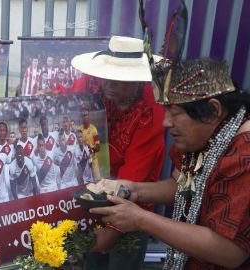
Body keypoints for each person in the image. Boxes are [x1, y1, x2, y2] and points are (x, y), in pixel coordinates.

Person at [91, 58, 250, 270]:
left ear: (214, 110)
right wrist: (132, 189)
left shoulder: (244, 154)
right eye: (165, 111)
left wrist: (140, 219)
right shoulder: (205, 135)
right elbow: (180, 184)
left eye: (175, 113)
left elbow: (230, 252)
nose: (166, 123)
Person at [72, 35, 165, 270]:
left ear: (137, 80)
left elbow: (134, 178)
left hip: (132, 203)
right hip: (93, 194)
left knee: (123, 261)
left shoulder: (150, 112)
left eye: (119, 79)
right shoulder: (94, 83)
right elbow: (70, 97)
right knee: (92, 261)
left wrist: (112, 230)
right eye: (107, 77)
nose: (109, 84)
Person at [78, 106, 102, 180]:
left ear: (89, 116)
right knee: (87, 184)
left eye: (86, 115)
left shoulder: (94, 129)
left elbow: (98, 146)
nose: (84, 117)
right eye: (83, 115)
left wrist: (91, 150)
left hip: (93, 160)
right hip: (84, 162)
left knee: (97, 182)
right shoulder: (79, 130)